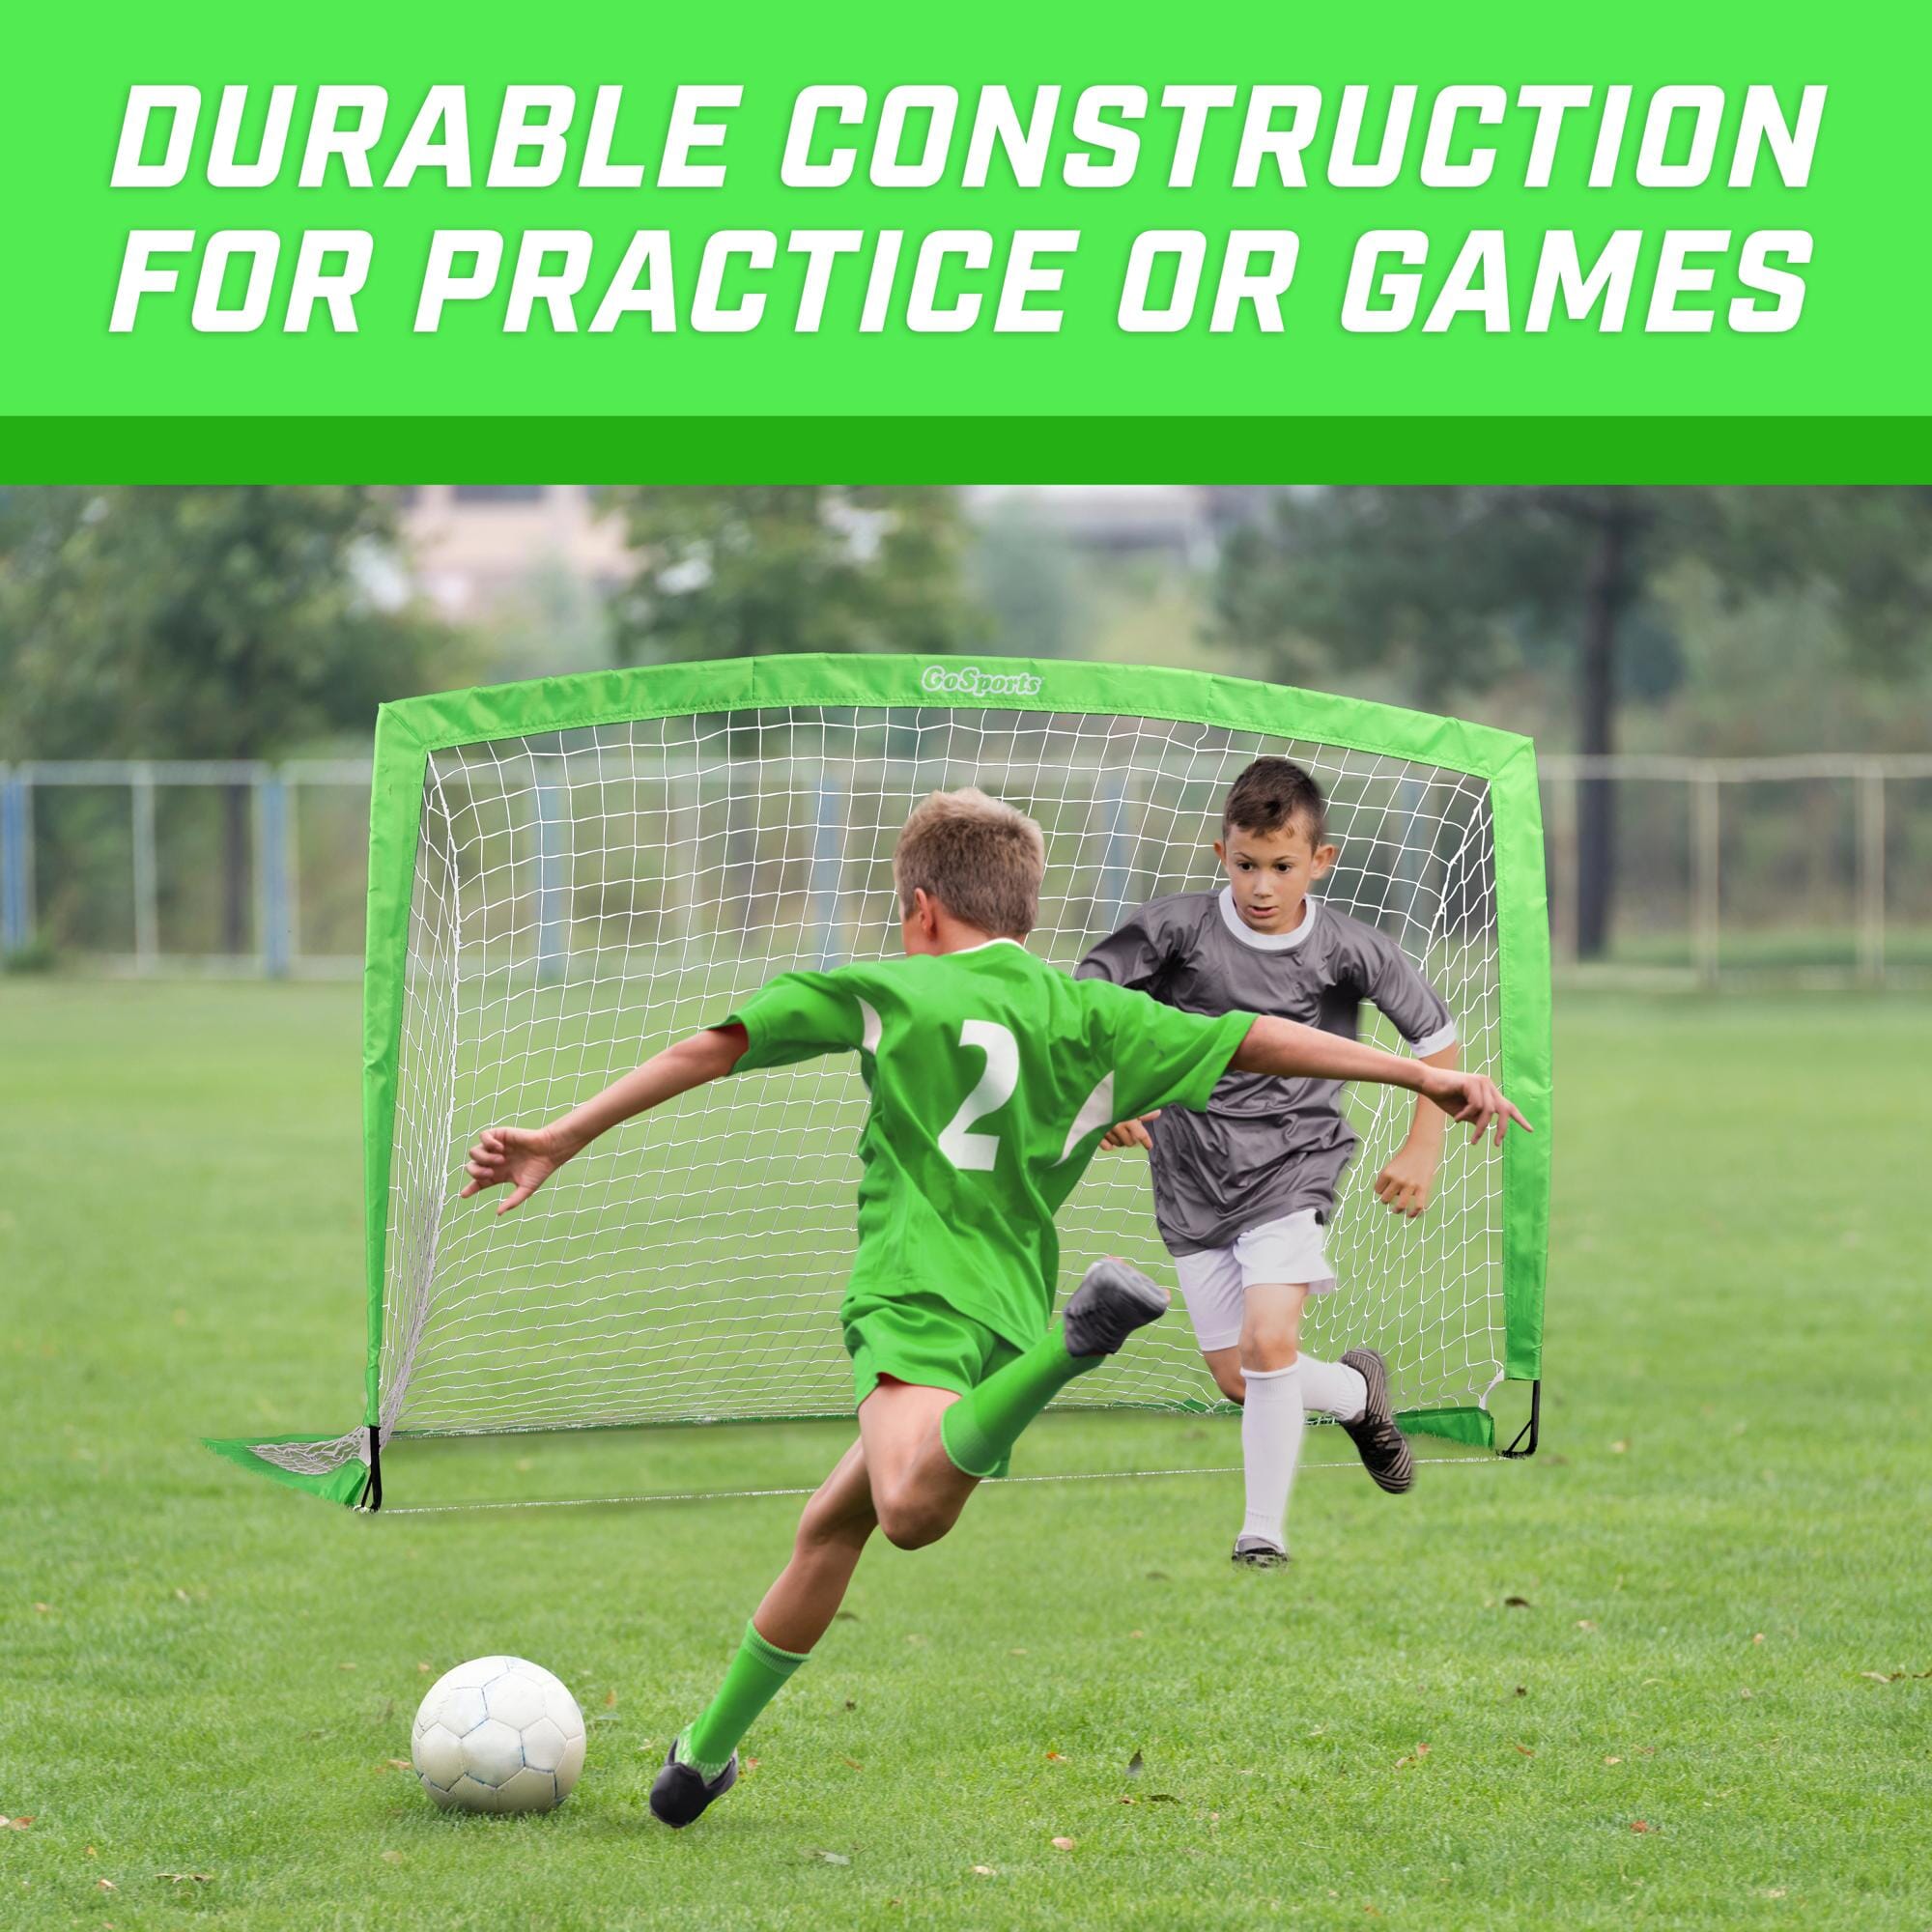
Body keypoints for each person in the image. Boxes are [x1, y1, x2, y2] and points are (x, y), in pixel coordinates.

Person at [460, 786, 1527, 1825]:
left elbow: (712, 1047)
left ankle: (1079, 1341)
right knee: (827, 1525)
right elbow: (1256, 1035)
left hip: (915, 1294)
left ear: (920, 907)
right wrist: (1412, 1076)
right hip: (998, 1315)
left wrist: (565, 1133)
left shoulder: (883, 987)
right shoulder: (1090, 1010)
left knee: (909, 1511)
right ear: (1022, 906)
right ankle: (701, 1755)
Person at [1079, 756, 1468, 1566]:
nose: (1262, 885)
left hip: (1295, 1166)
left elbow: (1437, 1043)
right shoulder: (1175, 930)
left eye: (1282, 867)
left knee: (1268, 1342)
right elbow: (1084, 1001)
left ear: (1318, 862)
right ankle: (1361, 1396)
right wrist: (1108, 1093)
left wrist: (1423, 1143)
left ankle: (1262, 1534)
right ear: (1221, 854)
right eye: (1247, 865)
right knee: (1243, 1375)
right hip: (1189, 1176)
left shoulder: (1350, 949)